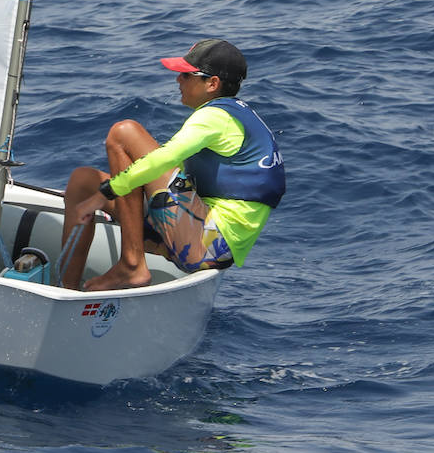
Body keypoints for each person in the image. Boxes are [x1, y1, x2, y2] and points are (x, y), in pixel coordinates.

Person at [59, 38, 285, 292]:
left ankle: (132, 265)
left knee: (124, 132)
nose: (178, 79)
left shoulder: (214, 117)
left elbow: (164, 159)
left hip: (209, 242)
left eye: (187, 75)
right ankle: (65, 291)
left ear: (212, 83)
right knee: (83, 182)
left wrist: (105, 194)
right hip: (196, 230)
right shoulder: (232, 115)